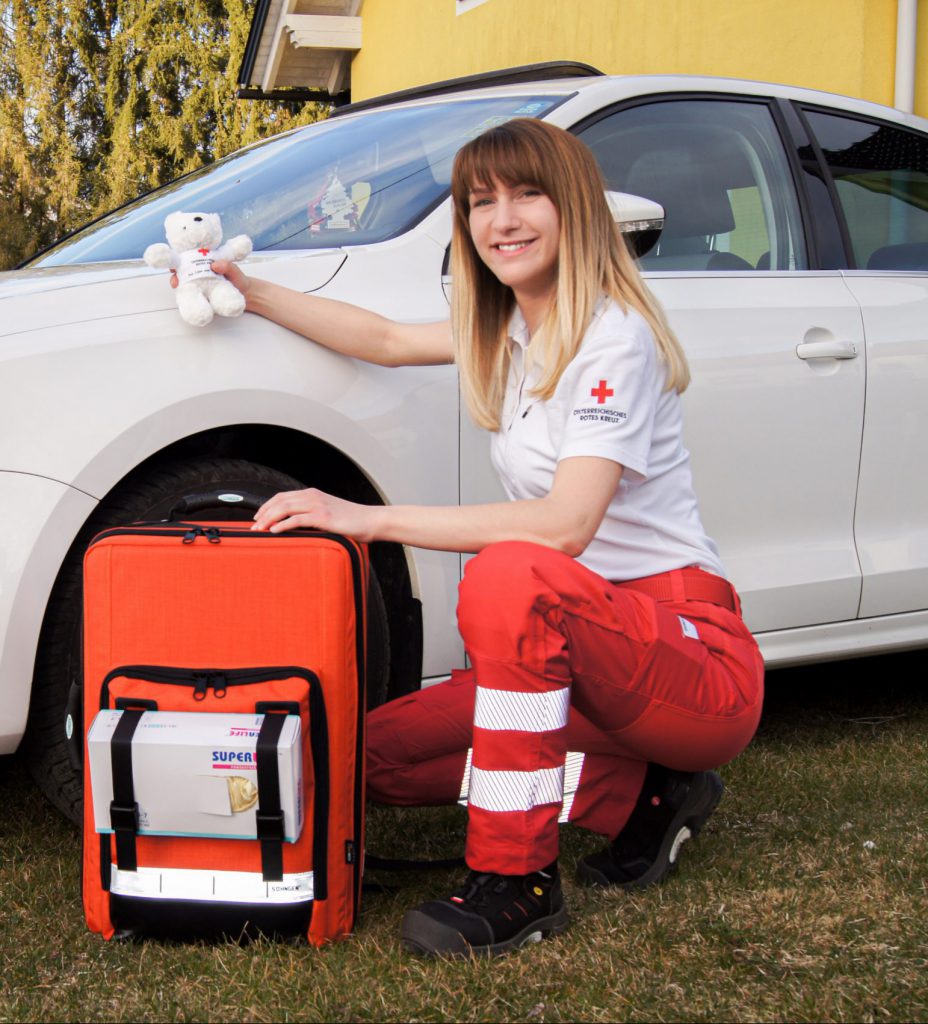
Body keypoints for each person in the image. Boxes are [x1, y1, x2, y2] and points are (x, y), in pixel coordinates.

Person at [204, 118, 764, 958]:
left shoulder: (615, 338)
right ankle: (637, 797)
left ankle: (518, 881)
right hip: (578, 661)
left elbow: (566, 525)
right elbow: (388, 342)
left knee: (510, 577)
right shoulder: (508, 334)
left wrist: (367, 519)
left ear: (574, 207)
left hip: (688, 661)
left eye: (526, 193)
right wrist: (247, 290)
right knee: (368, 763)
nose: (501, 218)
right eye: (480, 201)